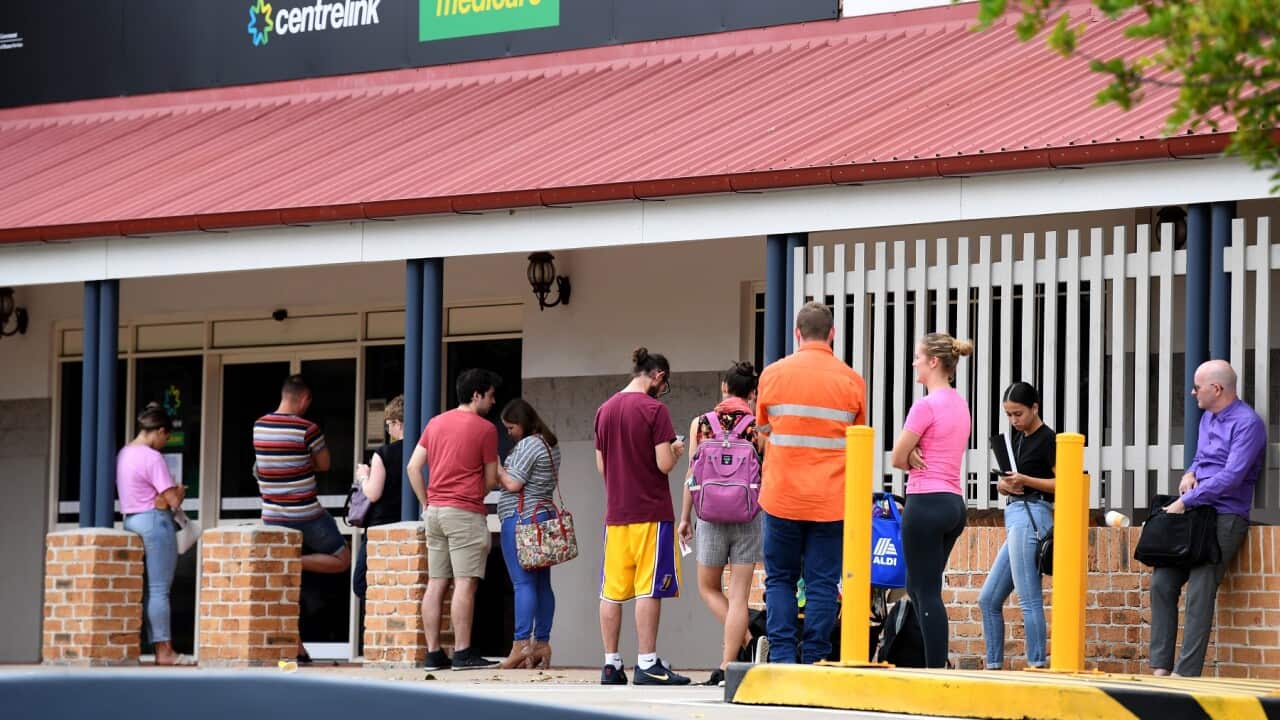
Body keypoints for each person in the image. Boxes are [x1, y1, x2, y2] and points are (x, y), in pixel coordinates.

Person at [755, 302, 867, 665]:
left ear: (796, 333)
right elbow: (858, 438)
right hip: (830, 500)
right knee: (822, 583)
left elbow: (764, 431)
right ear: (832, 333)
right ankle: (817, 657)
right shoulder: (852, 380)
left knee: (780, 580)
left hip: (782, 496)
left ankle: (783, 656)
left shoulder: (772, 375)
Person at [1151, 359, 1265, 677]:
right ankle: (1160, 667)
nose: (1192, 392)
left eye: (1197, 386)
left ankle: (1184, 674)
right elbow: (1203, 457)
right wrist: (1190, 472)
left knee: (1201, 589)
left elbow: (1231, 477)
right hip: (1196, 513)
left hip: (1226, 516)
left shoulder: (1248, 424)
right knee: (1163, 581)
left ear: (1216, 389)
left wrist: (1184, 501)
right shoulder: (1207, 418)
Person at [594, 347, 690, 686]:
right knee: (649, 589)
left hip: (616, 514)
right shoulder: (655, 410)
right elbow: (663, 463)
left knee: (612, 591)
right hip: (651, 512)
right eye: (665, 385)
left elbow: (601, 466)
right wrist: (677, 450)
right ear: (659, 376)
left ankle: (611, 664)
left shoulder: (604, 411)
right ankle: (647, 662)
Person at [407, 368, 503, 671]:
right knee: (465, 583)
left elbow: (413, 467)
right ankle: (462, 652)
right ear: (476, 394)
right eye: (490, 395)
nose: (493, 401)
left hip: (434, 512)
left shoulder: (435, 423)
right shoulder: (485, 429)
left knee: (436, 583)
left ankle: (433, 654)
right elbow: (490, 480)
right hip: (464, 513)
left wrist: (426, 502)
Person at [254, 375, 352, 662]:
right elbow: (324, 464)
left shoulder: (259, 426)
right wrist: (301, 458)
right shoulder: (308, 429)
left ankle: (293, 647)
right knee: (342, 558)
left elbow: (262, 466)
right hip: (308, 514)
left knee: (285, 584)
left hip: (273, 515)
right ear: (305, 399)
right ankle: (295, 561)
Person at [678, 361, 764, 686]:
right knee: (740, 595)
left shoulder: (701, 424)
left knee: (708, 587)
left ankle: (748, 643)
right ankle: (730, 664)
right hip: (748, 515)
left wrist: (685, 516)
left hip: (709, 516)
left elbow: (692, 475)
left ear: (724, 388)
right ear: (753, 394)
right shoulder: (759, 427)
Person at [890, 332, 973, 669]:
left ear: (934, 362)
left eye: (917, 357)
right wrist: (915, 452)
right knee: (920, 585)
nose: (914, 363)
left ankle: (935, 669)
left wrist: (911, 454)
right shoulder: (960, 403)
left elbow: (897, 457)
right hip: (953, 503)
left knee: (925, 591)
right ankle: (929, 660)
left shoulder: (925, 406)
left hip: (925, 501)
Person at [977, 382, 1056, 670]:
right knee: (987, 599)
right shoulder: (1016, 438)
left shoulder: (1049, 439)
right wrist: (1006, 485)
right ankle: (994, 664)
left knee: (1028, 597)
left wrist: (1025, 481)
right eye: (1009, 415)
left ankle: (1037, 663)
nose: (1014, 420)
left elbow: (1064, 483)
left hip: (1034, 514)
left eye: (1018, 413)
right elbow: (1015, 480)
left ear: (1035, 408)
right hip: (1015, 514)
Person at [117, 403, 189, 666]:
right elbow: (172, 501)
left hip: (132, 522)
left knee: (144, 590)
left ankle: (151, 647)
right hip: (155, 522)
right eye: (165, 437)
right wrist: (179, 490)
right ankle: (164, 651)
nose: (164, 443)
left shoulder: (124, 454)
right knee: (159, 590)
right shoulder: (151, 457)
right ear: (159, 430)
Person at [494, 398, 562, 670]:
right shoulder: (550, 444)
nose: (508, 433)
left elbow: (513, 483)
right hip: (543, 517)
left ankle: (521, 645)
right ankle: (541, 643)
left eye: (510, 428)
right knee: (542, 584)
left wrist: (497, 466)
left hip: (521, 519)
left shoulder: (528, 444)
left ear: (522, 424)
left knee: (522, 584)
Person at [352, 394, 405, 601]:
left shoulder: (383, 454)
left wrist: (364, 477)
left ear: (398, 423)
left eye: (388, 425)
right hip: (407, 523)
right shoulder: (423, 451)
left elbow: (373, 493)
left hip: (380, 528)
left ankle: (377, 623)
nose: (388, 430)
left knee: (362, 583)